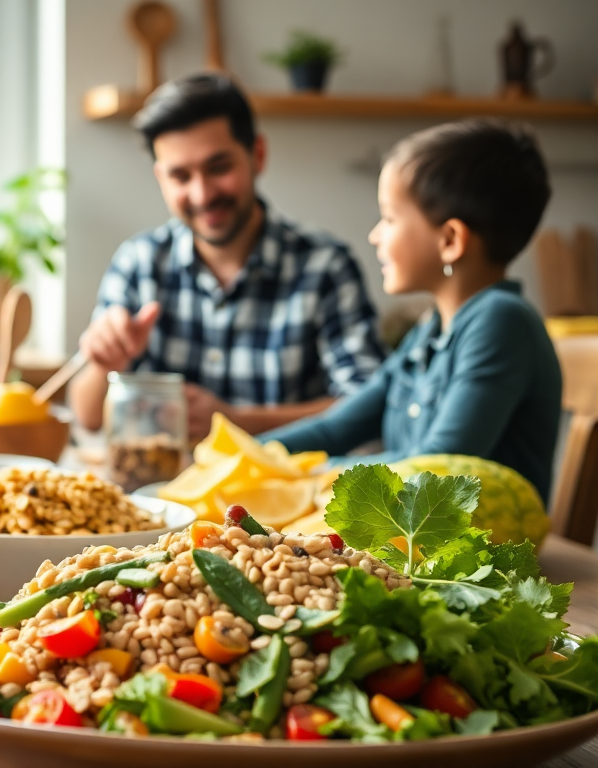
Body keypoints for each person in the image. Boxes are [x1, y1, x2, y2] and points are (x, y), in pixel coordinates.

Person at [69, 74, 386, 440]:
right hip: (161, 494)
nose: (202, 194)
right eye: (180, 176)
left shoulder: (326, 266)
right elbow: (87, 416)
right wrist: (104, 363)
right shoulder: (138, 263)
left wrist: (237, 421)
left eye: (218, 168)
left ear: (258, 156)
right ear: (161, 178)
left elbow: (370, 406)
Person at [262, 120, 561, 501]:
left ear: (450, 240)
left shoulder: (501, 321)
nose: (375, 235)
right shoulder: (429, 332)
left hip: (483, 555)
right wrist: (233, 459)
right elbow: (333, 430)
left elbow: (433, 465)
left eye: (388, 218)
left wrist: (309, 475)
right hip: (413, 545)